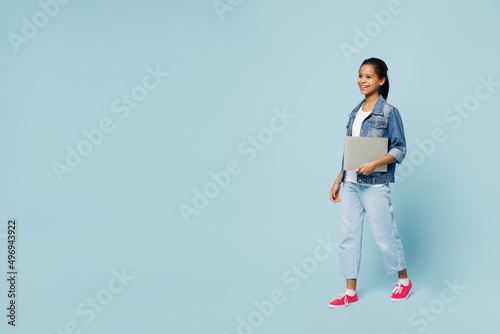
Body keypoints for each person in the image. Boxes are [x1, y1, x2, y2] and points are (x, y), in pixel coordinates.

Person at [328, 57, 412, 308]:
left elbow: (400, 149)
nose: (362, 81)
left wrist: (375, 163)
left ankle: (404, 280)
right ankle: (349, 291)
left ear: (381, 80)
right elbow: (349, 150)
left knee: (385, 234)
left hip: (375, 183)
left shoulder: (389, 112)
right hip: (351, 184)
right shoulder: (355, 112)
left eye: (368, 77)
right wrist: (339, 178)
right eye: (360, 75)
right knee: (348, 236)